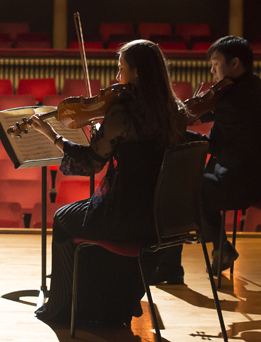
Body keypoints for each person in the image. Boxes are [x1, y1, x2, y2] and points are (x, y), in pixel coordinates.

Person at [22, 40, 187, 326]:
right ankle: (113, 302)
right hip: (160, 215)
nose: (116, 76)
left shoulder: (122, 113)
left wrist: (51, 134)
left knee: (62, 219)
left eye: (121, 68)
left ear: (136, 72)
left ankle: (62, 307)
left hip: (126, 214)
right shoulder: (175, 111)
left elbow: (90, 163)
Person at [150, 35, 261, 284]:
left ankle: (189, 259)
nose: (211, 71)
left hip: (255, 181)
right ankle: (214, 249)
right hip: (253, 172)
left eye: (215, 63)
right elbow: (218, 141)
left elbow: (213, 145)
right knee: (188, 186)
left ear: (234, 64)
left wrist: (177, 133)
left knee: (186, 189)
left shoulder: (238, 99)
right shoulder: (249, 88)